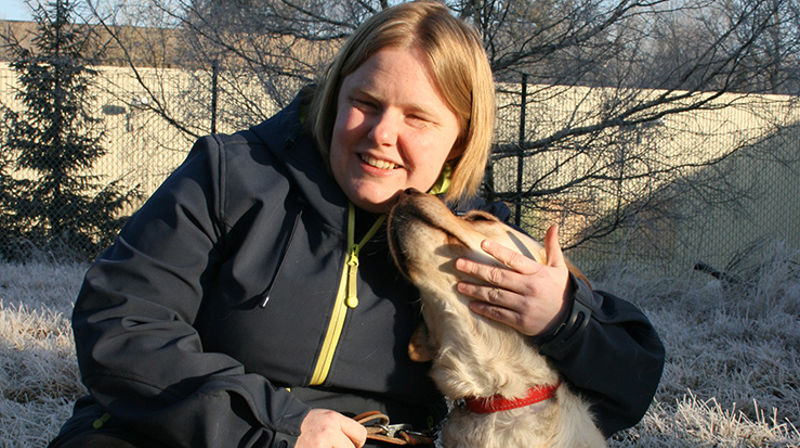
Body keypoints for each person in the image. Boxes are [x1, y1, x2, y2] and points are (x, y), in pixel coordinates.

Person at [49, 1, 664, 447]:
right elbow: (120, 325)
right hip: (176, 433)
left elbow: (628, 387)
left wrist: (561, 320)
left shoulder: (463, 243)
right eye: (365, 103)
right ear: (335, 96)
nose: (381, 136)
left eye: (418, 118)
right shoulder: (231, 175)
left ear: (459, 142)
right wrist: (278, 427)